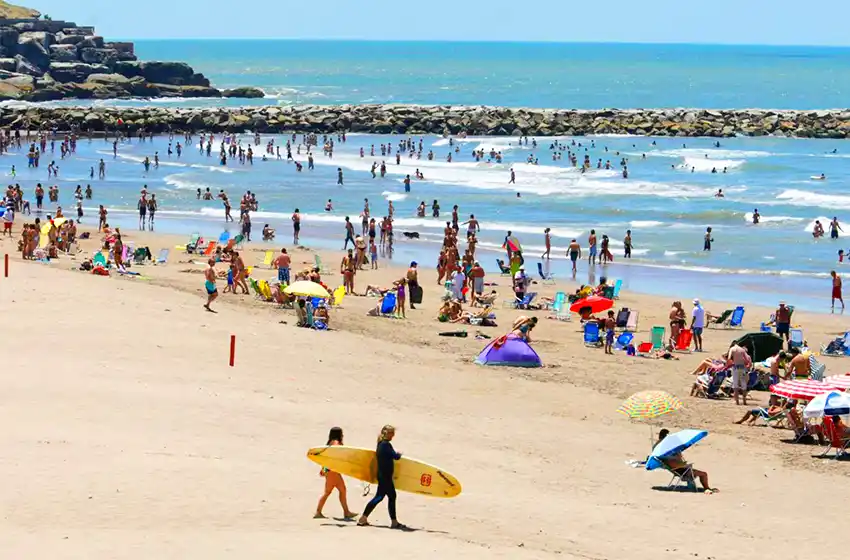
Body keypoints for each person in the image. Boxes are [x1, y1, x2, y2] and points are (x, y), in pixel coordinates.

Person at [358, 425, 405, 529]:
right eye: (391, 433)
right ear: (387, 434)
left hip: (382, 475)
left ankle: (363, 518)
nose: (393, 435)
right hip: (386, 476)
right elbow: (395, 457)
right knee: (389, 497)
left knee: (380, 497)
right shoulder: (385, 445)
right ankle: (394, 522)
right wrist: (399, 454)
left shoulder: (380, 444)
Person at [314, 427, 357, 520]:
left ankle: (346, 512)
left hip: (331, 471)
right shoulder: (336, 443)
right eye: (342, 433)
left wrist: (324, 469)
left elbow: (327, 457)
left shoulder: (330, 442)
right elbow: (334, 455)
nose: (343, 435)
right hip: (333, 471)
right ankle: (319, 512)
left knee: (337, 491)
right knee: (335, 491)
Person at [655, 429, 715, 494]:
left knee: (691, 469)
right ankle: (707, 488)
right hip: (681, 471)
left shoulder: (660, 450)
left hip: (676, 470)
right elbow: (675, 464)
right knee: (704, 474)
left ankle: (692, 484)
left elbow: (672, 462)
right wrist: (684, 464)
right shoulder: (667, 449)